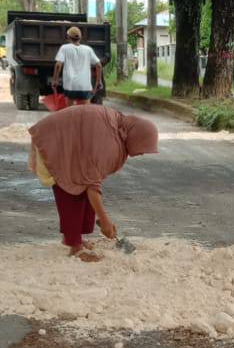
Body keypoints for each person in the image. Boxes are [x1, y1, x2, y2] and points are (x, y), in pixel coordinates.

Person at [28, 103, 159, 261]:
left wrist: (104, 221)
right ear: (135, 136)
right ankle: (75, 248)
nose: (142, 153)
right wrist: (105, 221)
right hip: (54, 141)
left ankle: (76, 239)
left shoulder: (118, 132)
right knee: (73, 191)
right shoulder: (110, 145)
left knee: (81, 185)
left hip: (68, 139)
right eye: (143, 146)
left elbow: (92, 181)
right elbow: (92, 186)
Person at [53, 25, 102, 104]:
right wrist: (98, 81)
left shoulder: (64, 48)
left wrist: (55, 80)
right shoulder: (88, 49)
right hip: (85, 87)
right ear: (80, 37)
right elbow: (99, 65)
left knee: (70, 112)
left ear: (68, 37)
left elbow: (58, 65)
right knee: (85, 112)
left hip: (70, 86)